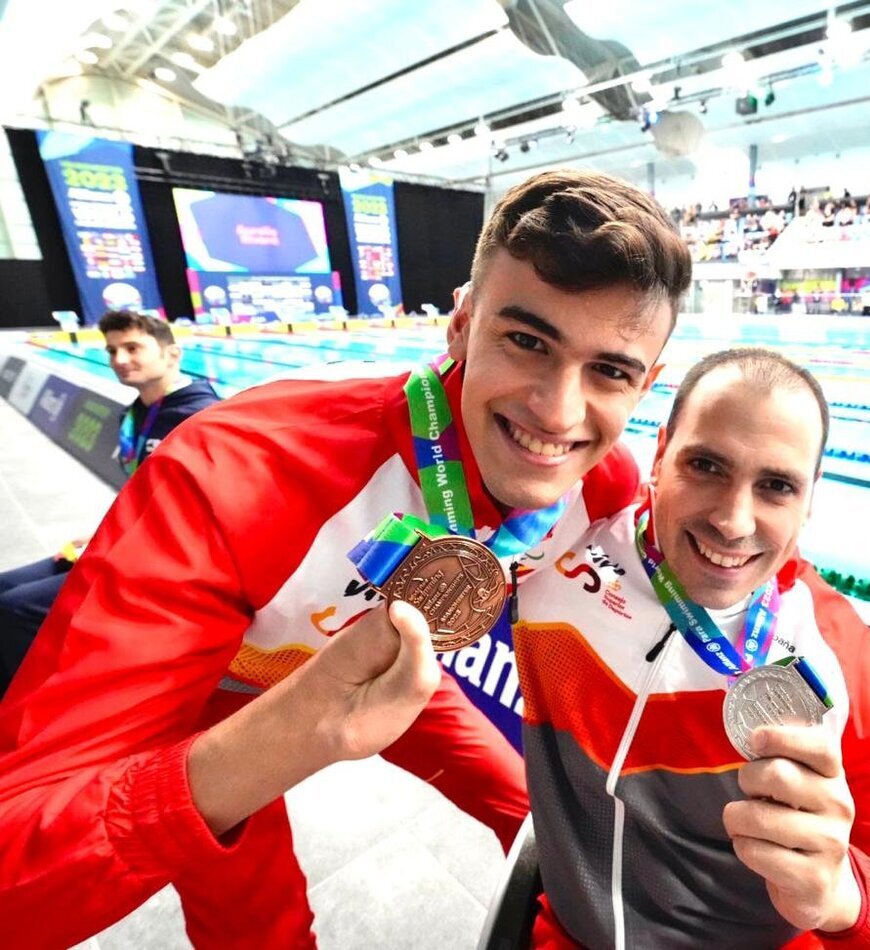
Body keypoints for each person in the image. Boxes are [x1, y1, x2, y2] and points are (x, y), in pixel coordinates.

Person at [0, 169, 692, 946]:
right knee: (258, 925)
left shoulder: (601, 486)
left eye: (610, 370)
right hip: (206, 690)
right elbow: (15, 872)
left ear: (646, 385)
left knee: (538, 825)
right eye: (527, 341)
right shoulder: (240, 473)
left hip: (388, 658)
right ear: (462, 325)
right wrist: (292, 734)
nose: (559, 413)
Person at [514, 348, 870, 948]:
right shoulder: (556, 545)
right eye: (707, 466)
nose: (734, 521)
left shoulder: (835, 659)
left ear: (810, 496)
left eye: (775, 486)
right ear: (661, 453)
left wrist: (848, 896)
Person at [0, 310, 219, 696]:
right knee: (5, 586)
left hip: (170, 558)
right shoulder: (137, 413)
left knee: (17, 609)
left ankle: (30, 716)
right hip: (129, 539)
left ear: (172, 355)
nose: (119, 360)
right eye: (112, 350)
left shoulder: (200, 418)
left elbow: (211, 512)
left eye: (133, 347)